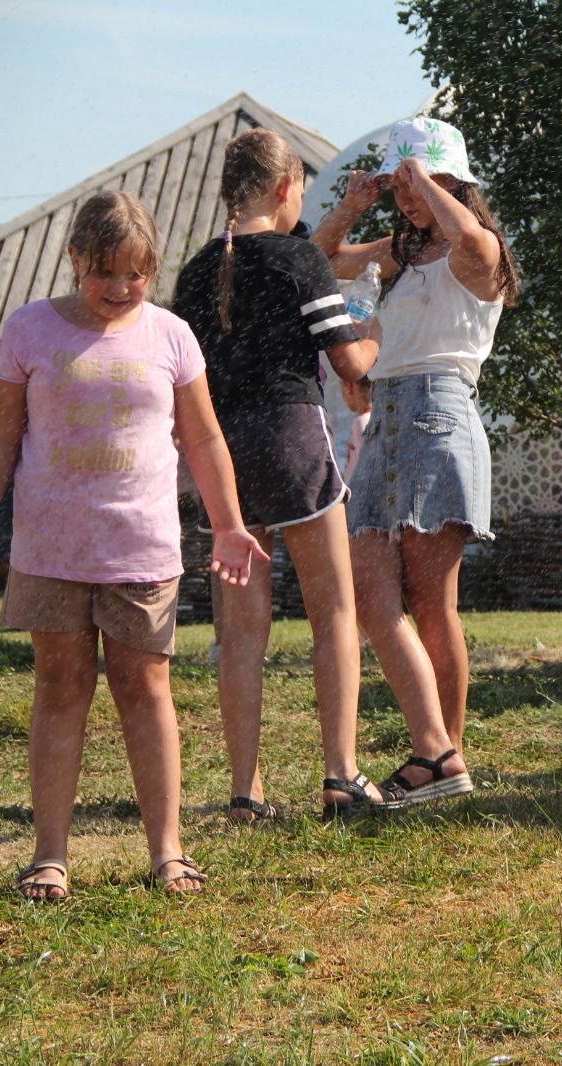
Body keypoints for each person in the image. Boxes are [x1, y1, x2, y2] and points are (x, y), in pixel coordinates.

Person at [0, 191, 266, 899]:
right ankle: (49, 854)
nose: (119, 289)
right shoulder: (26, 331)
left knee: (146, 688)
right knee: (59, 687)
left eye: (135, 274)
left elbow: (202, 437)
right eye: (104, 272)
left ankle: (167, 852)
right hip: (49, 548)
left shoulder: (171, 336)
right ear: (74, 258)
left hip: (141, 547)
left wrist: (229, 522)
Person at [173, 129, 390, 820]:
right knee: (334, 612)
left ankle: (245, 791)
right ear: (283, 188)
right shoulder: (300, 259)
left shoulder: (195, 272)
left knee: (240, 631)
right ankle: (340, 775)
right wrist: (380, 332)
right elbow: (352, 365)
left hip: (222, 455)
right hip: (293, 437)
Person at [313, 116, 519, 803]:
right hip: (386, 418)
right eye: (399, 183)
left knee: (433, 604)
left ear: (453, 180)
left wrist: (426, 186)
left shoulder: (475, 249)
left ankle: (443, 760)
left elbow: (470, 238)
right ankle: (437, 753)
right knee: (373, 597)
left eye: (418, 180)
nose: (406, 197)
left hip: (440, 413)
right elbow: (316, 263)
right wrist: (351, 206)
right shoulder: (399, 253)